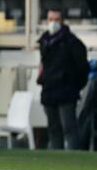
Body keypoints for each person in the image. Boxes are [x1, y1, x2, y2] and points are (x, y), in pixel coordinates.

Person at [37, 9, 90, 150]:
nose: (53, 23)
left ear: (62, 21)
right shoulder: (44, 41)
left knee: (69, 127)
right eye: (50, 19)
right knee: (53, 129)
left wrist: (74, 85)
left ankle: (74, 158)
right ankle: (56, 159)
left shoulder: (72, 43)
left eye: (56, 19)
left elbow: (82, 68)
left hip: (66, 91)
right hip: (49, 90)